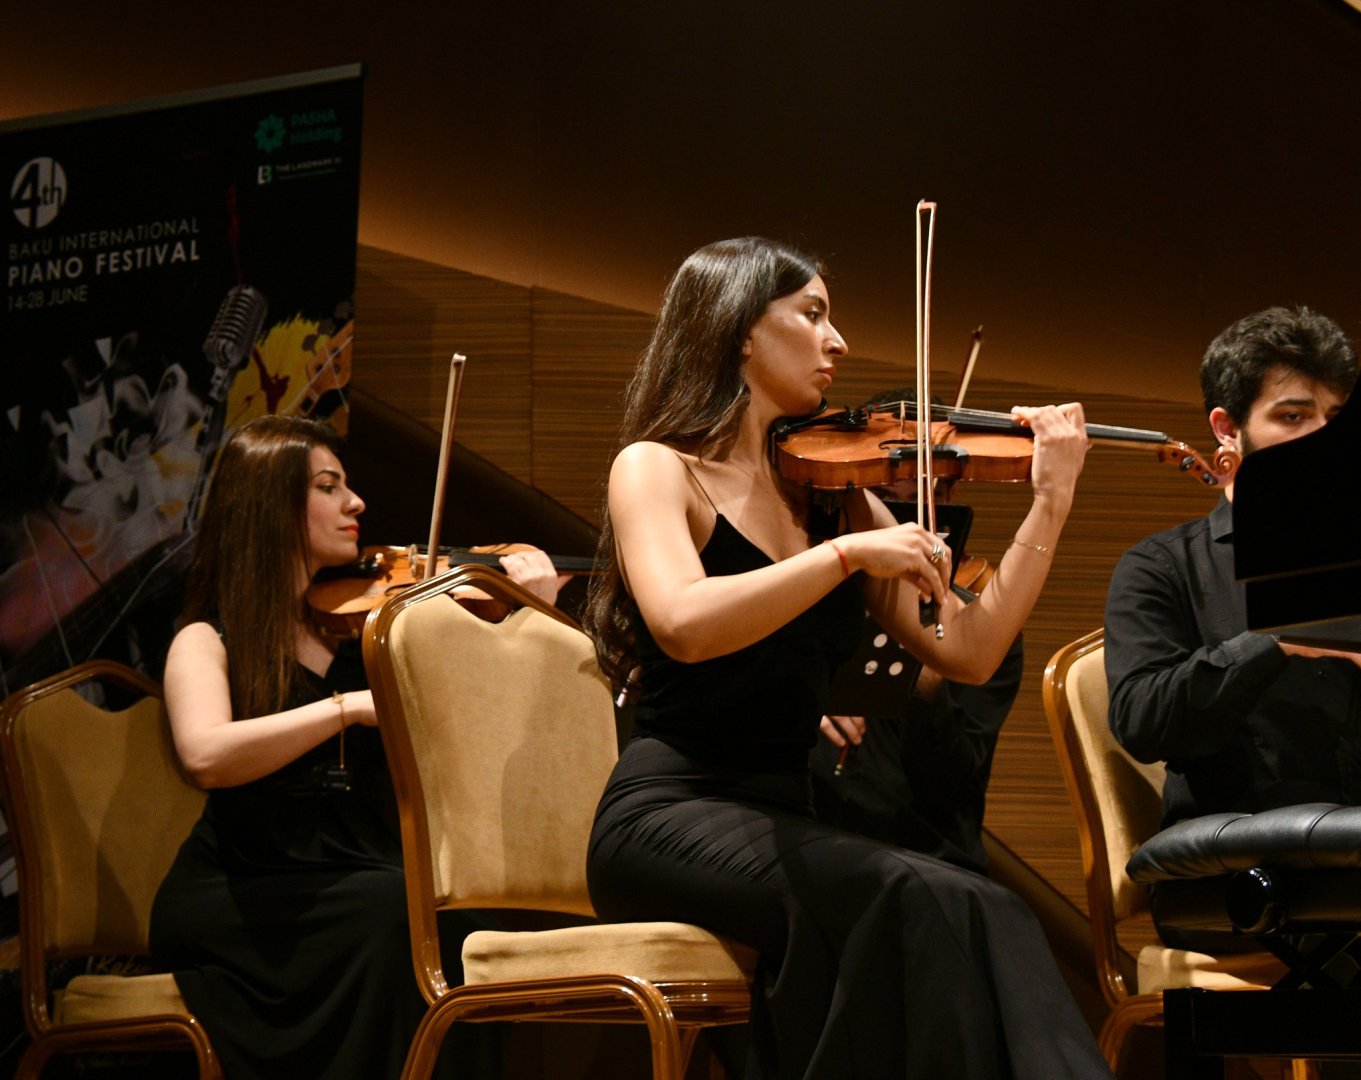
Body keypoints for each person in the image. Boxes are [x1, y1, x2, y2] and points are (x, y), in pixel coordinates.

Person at [582, 236, 1110, 1079]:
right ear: (739, 330)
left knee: (986, 904)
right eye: (813, 314)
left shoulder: (834, 495)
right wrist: (843, 559)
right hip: (668, 813)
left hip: (785, 817)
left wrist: (1050, 500)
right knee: (916, 898)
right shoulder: (658, 469)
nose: (839, 341)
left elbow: (969, 651)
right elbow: (683, 622)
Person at [149, 414, 561, 1079]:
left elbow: (475, 730)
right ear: (268, 504)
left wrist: (522, 611)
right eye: (328, 486)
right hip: (245, 887)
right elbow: (205, 755)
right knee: (396, 917)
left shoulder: (369, 631)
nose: (357, 503)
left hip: (354, 868)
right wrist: (345, 709)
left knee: (466, 926)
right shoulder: (206, 640)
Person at [1104, 306, 1361, 946]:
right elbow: (1142, 720)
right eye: (1293, 417)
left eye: (1335, 419)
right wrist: (1274, 639)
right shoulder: (1162, 565)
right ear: (1227, 428)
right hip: (1236, 880)